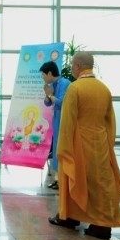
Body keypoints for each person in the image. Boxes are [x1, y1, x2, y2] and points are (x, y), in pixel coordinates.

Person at [48, 51, 120, 240]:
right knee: (100, 182)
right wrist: (108, 143)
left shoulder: (76, 88)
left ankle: (69, 217)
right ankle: (101, 224)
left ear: (78, 66)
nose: (71, 68)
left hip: (78, 143)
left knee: (72, 177)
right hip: (100, 142)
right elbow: (110, 120)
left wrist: (62, 149)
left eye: (72, 65)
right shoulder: (103, 88)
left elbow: (68, 121)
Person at [40, 61, 71, 190]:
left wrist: (51, 95)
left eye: (43, 75)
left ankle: (63, 180)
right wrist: (48, 95)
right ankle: (57, 179)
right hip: (56, 119)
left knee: (62, 148)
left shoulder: (66, 84)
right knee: (56, 149)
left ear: (50, 73)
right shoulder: (52, 84)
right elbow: (48, 104)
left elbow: (62, 103)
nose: (43, 77)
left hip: (64, 119)